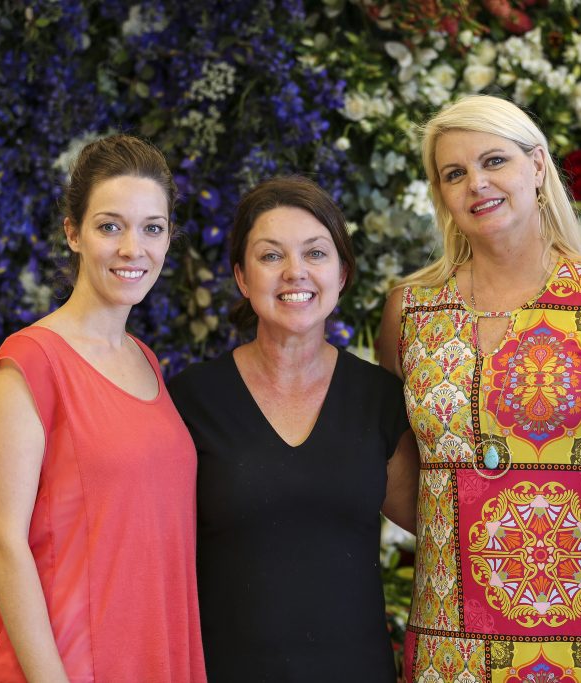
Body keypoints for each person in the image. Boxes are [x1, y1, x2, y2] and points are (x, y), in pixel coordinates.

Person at [377, 94, 581, 682]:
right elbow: (390, 462)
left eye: (493, 162)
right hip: (452, 637)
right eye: (454, 174)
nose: (476, 184)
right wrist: (469, 530)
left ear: (537, 166)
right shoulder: (409, 312)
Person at [168, 175, 419, 682]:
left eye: (315, 253)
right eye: (270, 256)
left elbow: (445, 527)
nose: (295, 273)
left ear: (342, 273)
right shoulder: (192, 401)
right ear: (241, 276)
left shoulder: (380, 399)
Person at [0, 135, 205, 682]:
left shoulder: (145, 361)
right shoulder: (28, 364)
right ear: (73, 233)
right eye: (110, 226)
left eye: (152, 227)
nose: (134, 248)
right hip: (71, 666)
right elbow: (2, 544)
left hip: (155, 654)